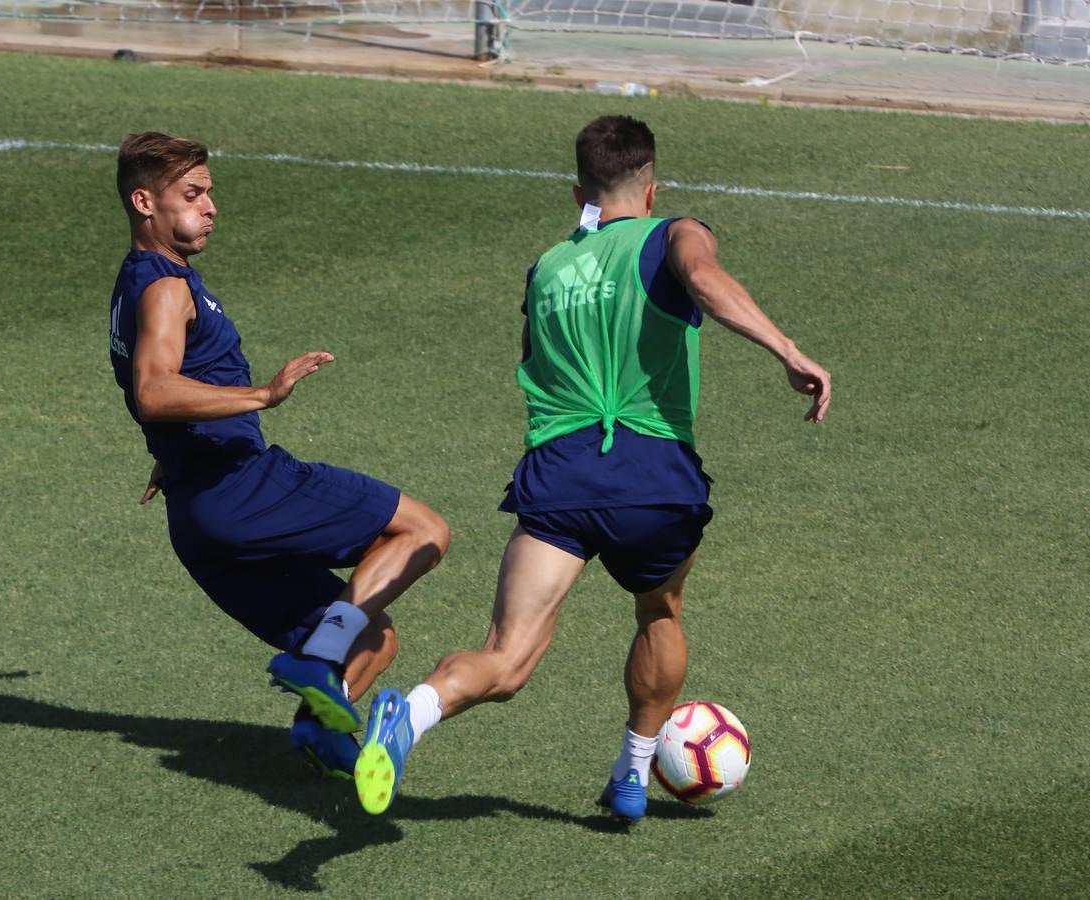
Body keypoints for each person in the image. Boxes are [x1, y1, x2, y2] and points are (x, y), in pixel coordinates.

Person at [354, 115, 831, 822]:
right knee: (657, 609)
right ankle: (634, 771)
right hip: (651, 475)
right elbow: (702, 278)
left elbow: (534, 364)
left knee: (507, 657)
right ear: (652, 187)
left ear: (579, 190)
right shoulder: (672, 232)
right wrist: (786, 350)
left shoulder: (544, 269)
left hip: (560, 472)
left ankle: (413, 713)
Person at [107, 132, 450, 779]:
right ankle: (317, 662)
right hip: (244, 487)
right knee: (424, 530)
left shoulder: (138, 281)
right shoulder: (164, 288)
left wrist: (173, 450)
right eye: (192, 194)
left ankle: (318, 732)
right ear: (144, 201)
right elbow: (153, 388)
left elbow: (157, 387)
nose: (209, 206)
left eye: (208, 192)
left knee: (376, 640)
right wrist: (261, 394)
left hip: (196, 513)